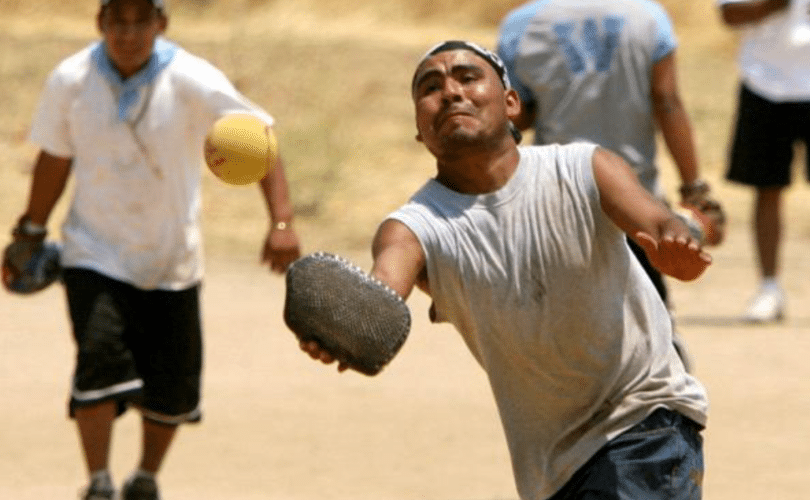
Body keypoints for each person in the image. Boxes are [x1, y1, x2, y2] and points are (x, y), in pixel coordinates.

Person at [301, 41, 709, 500]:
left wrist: (678, 246)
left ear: (512, 103)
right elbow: (380, 299)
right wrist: (343, 330)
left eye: (467, 77)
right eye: (431, 88)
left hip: (643, 421)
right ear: (420, 128)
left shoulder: (581, 169)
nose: (452, 92)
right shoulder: (414, 228)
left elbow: (660, 224)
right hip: (550, 469)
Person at [3, 0, 301, 499]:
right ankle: (98, 482)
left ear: (161, 24)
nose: (128, 32)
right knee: (97, 361)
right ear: (101, 23)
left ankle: (145, 480)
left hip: (171, 258)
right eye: (117, 20)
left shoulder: (191, 79)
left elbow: (257, 136)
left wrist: (282, 221)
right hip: (92, 250)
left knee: (173, 386)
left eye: (140, 20)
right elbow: (54, 157)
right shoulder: (71, 79)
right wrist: (30, 229)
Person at [495, 0, 722, 319]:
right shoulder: (648, 16)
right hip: (636, 198)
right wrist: (692, 187)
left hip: (556, 195)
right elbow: (666, 102)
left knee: (564, 316)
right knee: (648, 315)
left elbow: (514, 115)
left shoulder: (521, 25)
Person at [718, 0, 810, 323]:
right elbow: (729, 14)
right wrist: (775, 4)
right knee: (768, 185)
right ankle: (769, 287)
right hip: (764, 82)